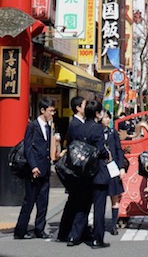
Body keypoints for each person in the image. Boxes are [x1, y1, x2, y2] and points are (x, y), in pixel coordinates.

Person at [66, 100, 111, 248]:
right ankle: (97, 239)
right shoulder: (97, 128)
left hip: (83, 172)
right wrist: (107, 155)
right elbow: (100, 149)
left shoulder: (80, 127)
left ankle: (74, 236)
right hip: (97, 171)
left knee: (82, 205)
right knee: (99, 207)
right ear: (98, 114)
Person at [14, 97, 56, 240]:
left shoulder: (49, 127)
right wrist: (33, 166)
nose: (52, 114)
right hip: (34, 170)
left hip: (45, 168)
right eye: (50, 111)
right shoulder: (32, 126)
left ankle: (40, 229)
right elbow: (28, 148)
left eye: (53, 111)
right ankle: (20, 230)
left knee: (43, 201)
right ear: (42, 110)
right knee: (29, 201)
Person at [56, 95, 88, 243]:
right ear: (78, 108)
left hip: (77, 168)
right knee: (76, 201)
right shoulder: (75, 124)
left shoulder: (79, 122)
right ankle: (69, 232)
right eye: (84, 105)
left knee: (75, 201)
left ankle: (70, 231)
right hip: (76, 169)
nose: (86, 107)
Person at [100, 109, 127, 237]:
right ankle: (98, 224)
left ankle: (114, 224)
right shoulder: (96, 132)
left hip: (113, 167)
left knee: (115, 196)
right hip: (100, 168)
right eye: (105, 117)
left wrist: (121, 167)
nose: (107, 120)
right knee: (99, 198)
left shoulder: (113, 133)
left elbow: (119, 150)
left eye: (108, 118)